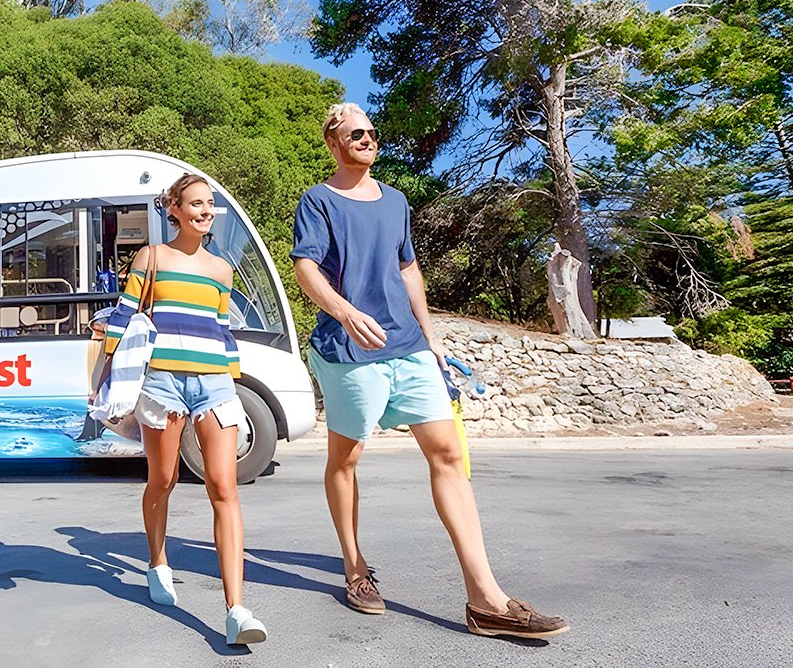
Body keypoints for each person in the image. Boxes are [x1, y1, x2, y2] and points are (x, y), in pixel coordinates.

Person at [291, 103, 569, 639]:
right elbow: (306, 266)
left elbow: (408, 267)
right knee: (345, 461)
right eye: (355, 133)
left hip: (409, 345)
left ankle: (486, 599)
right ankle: (355, 568)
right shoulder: (318, 200)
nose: (367, 139)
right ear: (333, 142)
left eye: (371, 132)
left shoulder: (395, 200)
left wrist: (432, 338)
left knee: (448, 455)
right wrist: (344, 312)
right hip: (350, 350)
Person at [95, 173, 268, 646]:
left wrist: (232, 379)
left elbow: (222, 329)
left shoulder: (222, 270)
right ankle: (157, 562)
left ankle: (236, 611)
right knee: (164, 479)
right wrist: (108, 373)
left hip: (214, 384)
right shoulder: (151, 257)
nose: (206, 211)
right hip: (163, 382)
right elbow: (124, 316)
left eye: (210, 204)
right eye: (195, 203)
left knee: (224, 487)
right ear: (174, 208)